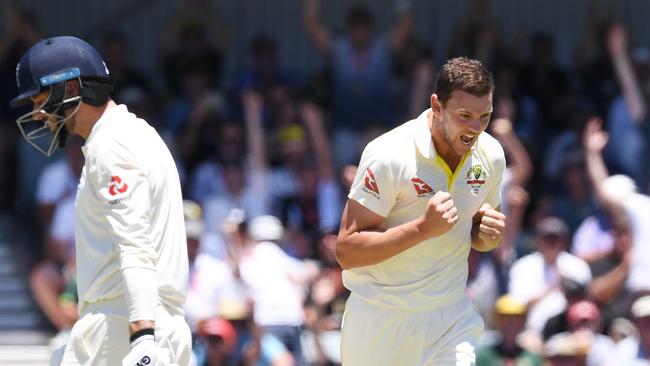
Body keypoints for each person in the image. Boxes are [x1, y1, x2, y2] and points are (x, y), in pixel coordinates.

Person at [9, 36, 191, 365]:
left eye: (40, 99)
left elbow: (134, 244)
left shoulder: (112, 146)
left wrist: (142, 337)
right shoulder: (135, 133)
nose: (37, 114)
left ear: (71, 89)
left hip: (124, 327)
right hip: (138, 322)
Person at [336, 57, 507, 365]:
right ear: (436, 105)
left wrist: (487, 235)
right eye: (464, 115)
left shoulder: (491, 155)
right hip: (379, 320)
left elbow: (482, 239)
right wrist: (421, 229)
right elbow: (347, 251)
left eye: (485, 116)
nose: (475, 129)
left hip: (450, 318)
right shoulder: (388, 155)